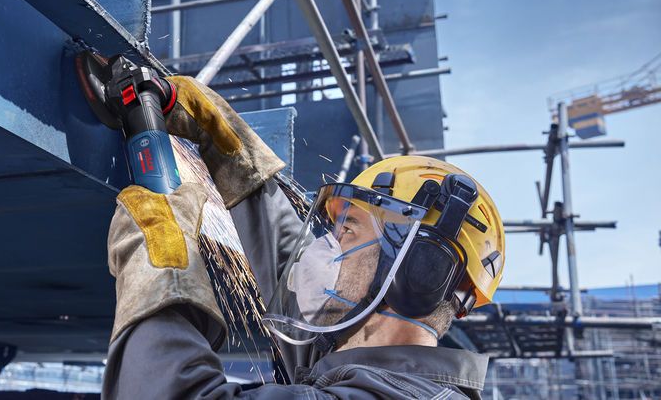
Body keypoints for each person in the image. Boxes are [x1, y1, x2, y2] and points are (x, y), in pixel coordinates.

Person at [101, 76, 505, 399]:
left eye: (348, 231)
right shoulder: (366, 365)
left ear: (419, 270)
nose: (328, 248)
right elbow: (284, 265)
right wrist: (224, 145)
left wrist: (162, 256)